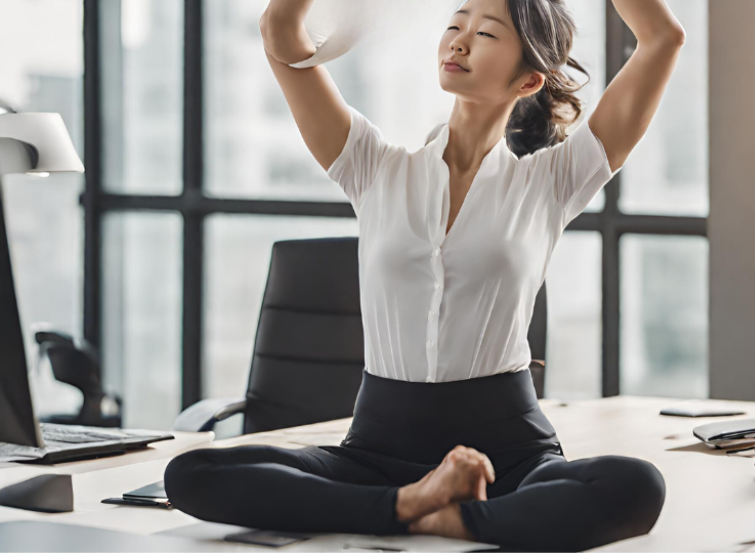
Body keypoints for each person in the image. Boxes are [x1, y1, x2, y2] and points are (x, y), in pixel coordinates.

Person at [163, 0, 685, 550]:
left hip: (509, 453)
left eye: (485, 33)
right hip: (375, 450)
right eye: (454, 26)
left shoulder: (553, 180)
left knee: (635, 486)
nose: (459, 41)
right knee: (192, 475)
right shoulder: (371, 164)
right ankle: (412, 502)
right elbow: (280, 32)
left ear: (529, 79)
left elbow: (662, 39)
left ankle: (442, 518)